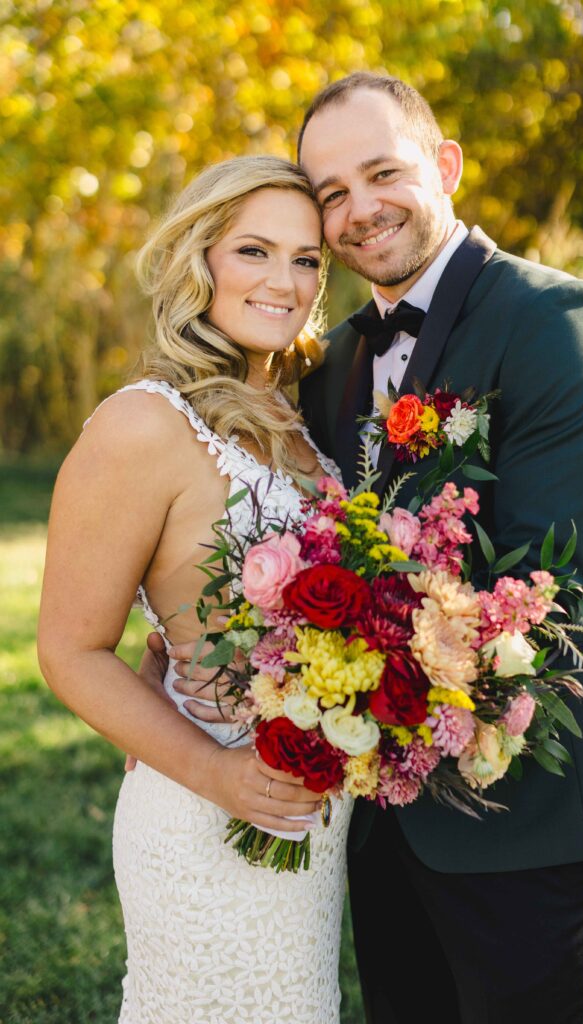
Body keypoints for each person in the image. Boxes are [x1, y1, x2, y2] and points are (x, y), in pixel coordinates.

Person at [168, 74, 583, 1023]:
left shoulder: (554, 323)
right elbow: (291, 527)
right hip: (372, 804)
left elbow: (538, 586)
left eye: (381, 173)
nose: (359, 211)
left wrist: (308, 664)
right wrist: (216, 641)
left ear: (443, 166)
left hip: (516, 794)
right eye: (331, 193)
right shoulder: (332, 363)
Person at [37, 155, 354, 1024]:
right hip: (202, 810)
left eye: (305, 260)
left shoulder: (297, 420)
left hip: (310, 816)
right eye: (254, 250)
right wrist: (216, 772)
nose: (283, 283)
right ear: (199, 259)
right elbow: (67, 650)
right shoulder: (143, 423)